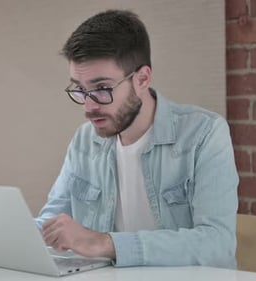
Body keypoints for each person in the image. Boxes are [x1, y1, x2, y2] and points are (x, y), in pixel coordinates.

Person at [35, 10, 239, 268]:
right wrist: (4, 235)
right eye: (80, 89)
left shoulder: (205, 134)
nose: (88, 106)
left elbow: (217, 244)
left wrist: (105, 243)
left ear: (142, 78)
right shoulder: (84, 140)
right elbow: (51, 223)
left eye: (102, 89)